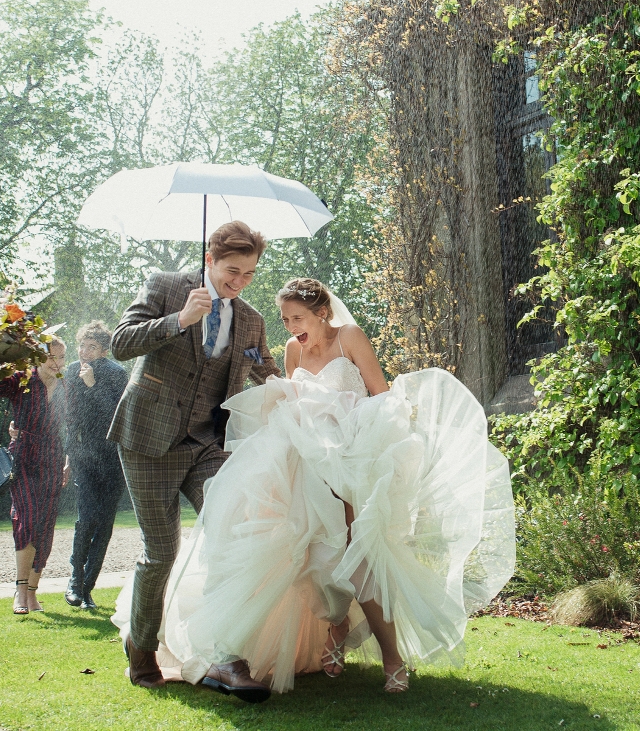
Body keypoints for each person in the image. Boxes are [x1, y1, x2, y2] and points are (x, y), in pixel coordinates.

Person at [112, 278, 515, 697]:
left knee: (360, 560)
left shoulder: (351, 338)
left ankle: (392, 658)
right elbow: (293, 406)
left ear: (321, 312)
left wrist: (348, 423)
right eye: (284, 319)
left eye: (297, 318)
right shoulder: (292, 351)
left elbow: (381, 397)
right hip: (307, 469)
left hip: (352, 464)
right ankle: (333, 630)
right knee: (312, 558)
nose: (290, 327)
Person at [108, 220, 281, 700]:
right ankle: (141, 655)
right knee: (160, 553)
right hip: (146, 438)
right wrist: (179, 320)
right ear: (209, 259)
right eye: (232, 270)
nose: (240, 281)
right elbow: (120, 344)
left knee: (233, 539)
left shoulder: (250, 319)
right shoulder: (166, 287)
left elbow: (266, 372)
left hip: (207, 444)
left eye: (249, 273)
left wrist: (301, 388)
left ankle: (226, 657)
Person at [0, 336, 70, 615]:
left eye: (61, 357)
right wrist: (11, 354)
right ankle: (20, 592)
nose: (57, 363)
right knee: (27, 519)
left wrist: (68, 461)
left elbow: (71, 428)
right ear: (37, 358)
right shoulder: (22, 379)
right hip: (23, 454)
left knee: (45, 526)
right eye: (51, 357)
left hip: (54, 458)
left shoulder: (66, 385)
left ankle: (33, 593)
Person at [63, 320, 128, 611]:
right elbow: (69, 418)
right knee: (86, 517)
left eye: (91, 347)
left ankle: (87, 588)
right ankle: (74, 582)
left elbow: (118, 415)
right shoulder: (71, 372)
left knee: (104, 524)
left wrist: (93, 385)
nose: (85, 351)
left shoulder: (117, 373)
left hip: (113, 458)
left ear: (103, 351)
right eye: (82, 345)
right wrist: (67, 455)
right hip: (84, 456)